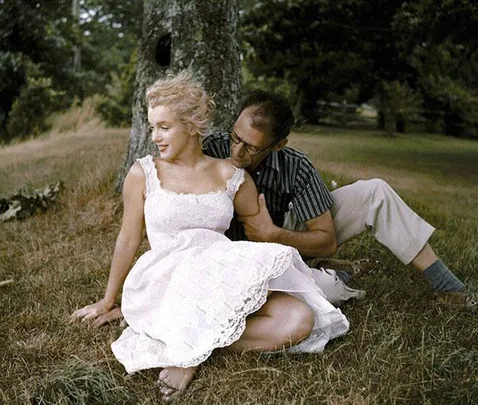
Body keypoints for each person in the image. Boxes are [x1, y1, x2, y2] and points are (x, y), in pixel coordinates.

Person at [70, 71, 350, 401]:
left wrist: (267, 259)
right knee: (288, 311)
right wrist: (107, 301)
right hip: (166, 278)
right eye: (152, 127)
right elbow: (128, 239)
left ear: (191, 126)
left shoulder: (232, 176)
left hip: (217, 273)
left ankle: (197, 346)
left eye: (164, 126)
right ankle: (184, 354)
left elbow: (261, 237)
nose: (155, 137)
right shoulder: (144, 173)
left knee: (298, 318)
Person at [200, 89, 475, 309]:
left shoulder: (295, 166)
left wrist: (273, 234)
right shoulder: (210, 149)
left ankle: (451, 289)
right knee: (326, 292)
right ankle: (336, 277)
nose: (237, 152)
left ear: (278, 145)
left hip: (284, 234)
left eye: (250, 147)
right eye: (235, 137)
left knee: (375, 192)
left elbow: (326, 240)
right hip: (232, 256)